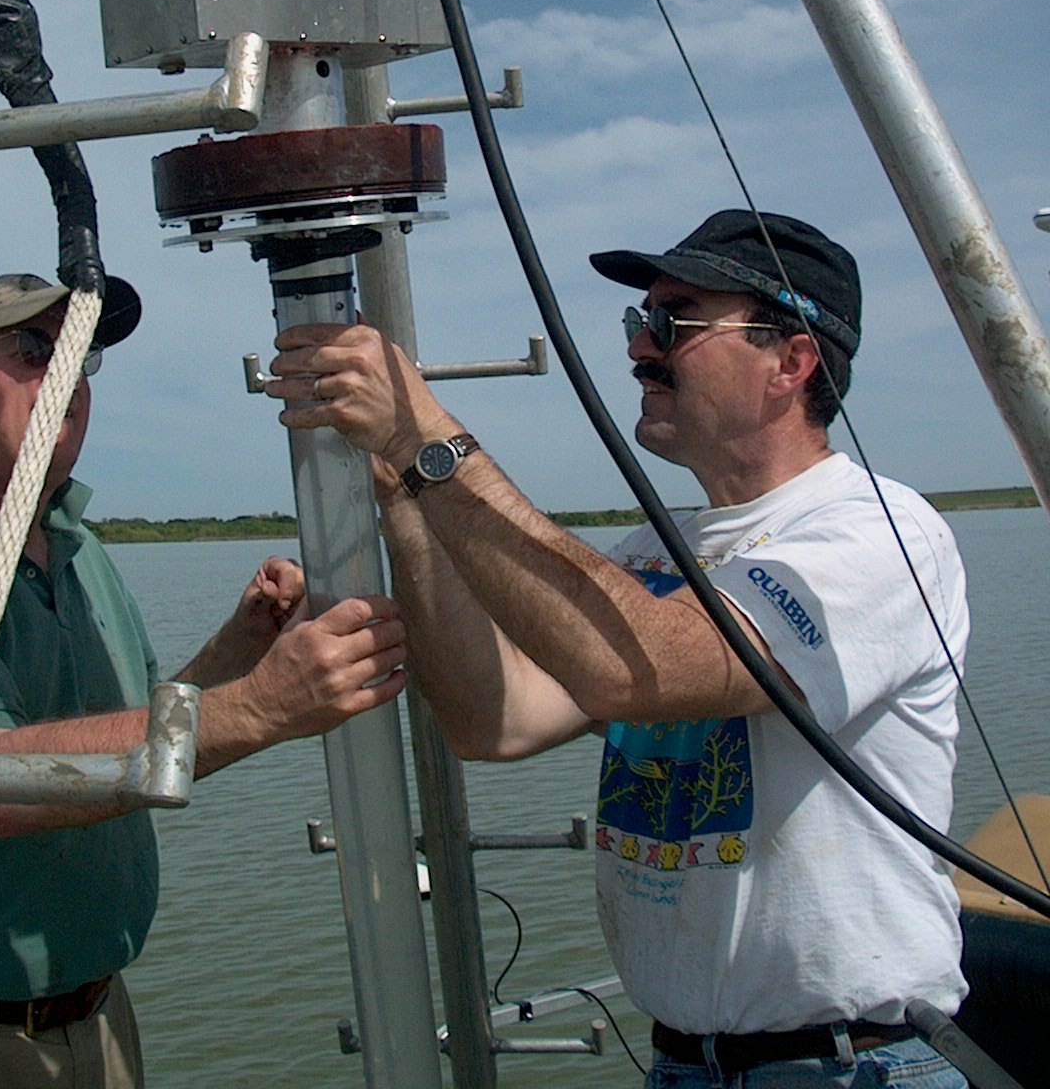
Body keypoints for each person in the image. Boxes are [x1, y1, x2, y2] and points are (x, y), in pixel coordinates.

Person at [268, 210, 970, 1088]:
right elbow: (498, 722)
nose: (641, 348)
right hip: (683, 1063)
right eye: (640, 323)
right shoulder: (652, 550)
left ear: (791, 363)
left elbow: (647, 669)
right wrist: (406, 493)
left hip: (847, 1067)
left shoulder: (879, 536)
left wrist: (428, 440)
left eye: (674, 322)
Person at [0, 272, 406, 1089]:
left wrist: (242, 644)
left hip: (98, 1023)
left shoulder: (79, 548)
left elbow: (132, 732)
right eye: (37, 351)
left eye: (83, 357)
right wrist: (262, 706)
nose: (68, 378)